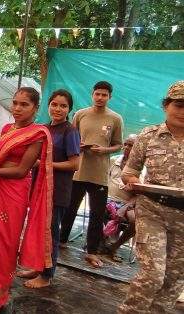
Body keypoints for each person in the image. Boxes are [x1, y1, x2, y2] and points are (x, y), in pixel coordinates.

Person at [0, 87, 53, 313]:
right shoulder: (7, 129)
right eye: (15, 103)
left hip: (14, 192)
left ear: (35, 108)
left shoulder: (37, 134)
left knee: (4, 244)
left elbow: (21, 170)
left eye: (24, 104)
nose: (17, 108)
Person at [118, 81, 184, 313]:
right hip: (153, 210)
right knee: (153, 274)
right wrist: (132, 181)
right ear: (166, 105)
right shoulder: (149, 135)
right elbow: (129, 171)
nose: (183, 111)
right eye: (179, 104)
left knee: (174, 280)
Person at [19, 89, 80, 289]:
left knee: (50, 233)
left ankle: (46, 275)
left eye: (63, 106)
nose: (58, 109)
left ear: (69, 109)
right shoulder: (43, 128)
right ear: (48, 106)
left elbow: (74, 164)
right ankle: (38, 267)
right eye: (54, 104)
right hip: (38, 187)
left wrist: (44, 164)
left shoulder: (70, 131)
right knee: (38, 229)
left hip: (57, 191)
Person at [59, 81, 123, 268]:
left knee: (97, 214)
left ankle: (92, 251)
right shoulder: (80, 114)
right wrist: (77, 146)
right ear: (92, 94)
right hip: (79, 170)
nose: (100, 98)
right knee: (69, 208)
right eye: (97, 94)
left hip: (99, 174)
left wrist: (105, 149)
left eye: (104, 95)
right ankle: (61, 241)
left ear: (110, 97)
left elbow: (118, 144)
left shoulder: (115, 118)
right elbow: (70, 137)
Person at [103, 137, 136, 261]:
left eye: (131, 145)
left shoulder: (141, 168)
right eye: (125, 144)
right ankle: (100, 242)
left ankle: (115, 246)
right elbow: (103, 180)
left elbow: (140, 194)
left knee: (135, 221)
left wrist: (125, 207)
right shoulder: (113, 160)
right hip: (108, 198)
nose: (127, 147)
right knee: (99, 210)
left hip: (128, 202)